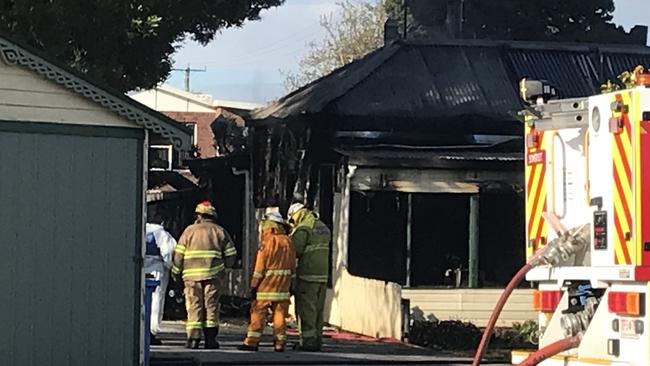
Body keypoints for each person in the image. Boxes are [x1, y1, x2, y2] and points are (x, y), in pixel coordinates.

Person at [172, 201, 237, 349]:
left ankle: (193, 340)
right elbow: (231, 256)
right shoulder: (220, 231)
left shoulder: (189, 231)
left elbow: (178, 255)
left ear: (200, 215)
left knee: (194, 306)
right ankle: (210, 340)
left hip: (191, 278)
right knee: (211, 306)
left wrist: (175, 273)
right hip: (213, 276)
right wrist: (225, 267)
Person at [237, 211, 296, 352]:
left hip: (266, 286)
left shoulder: (267, 242)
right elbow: (293, 265)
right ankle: (280, 343)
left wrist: (253, 286)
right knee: (280, 314)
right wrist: (291, 285)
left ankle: (252, 342)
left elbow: (260, 268)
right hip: (283, 287)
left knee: (258, 313)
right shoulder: (288, 241)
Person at [287, 202, 331, 352]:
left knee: (306, 311)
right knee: (318, 311)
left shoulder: (303, 229)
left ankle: (307, 342)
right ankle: (317, 340)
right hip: (323, 275)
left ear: (296, 214)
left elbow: (294, 251)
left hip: (307, 275)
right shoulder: (322, 226)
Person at [145, 213, 177, 346]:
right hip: (156, 269)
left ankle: (141, 330)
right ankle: (151, 332)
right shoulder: (160, 233)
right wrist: (171, 267)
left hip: (141, 268)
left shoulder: (142, 228)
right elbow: (168, 252)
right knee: (156, 300)